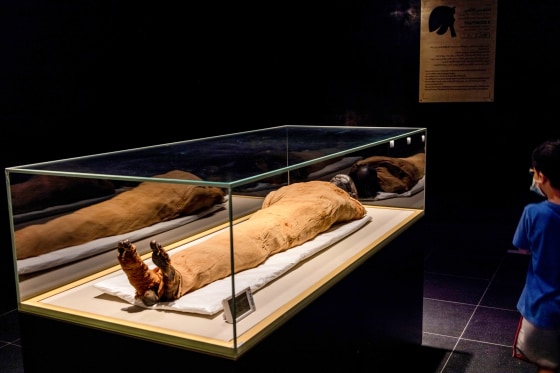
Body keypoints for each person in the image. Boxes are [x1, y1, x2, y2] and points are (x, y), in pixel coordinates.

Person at [512, 139, 560, 373]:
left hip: (543, 310)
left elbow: (522, 247)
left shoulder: (534, 213)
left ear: (540, 176)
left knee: (547, 367)